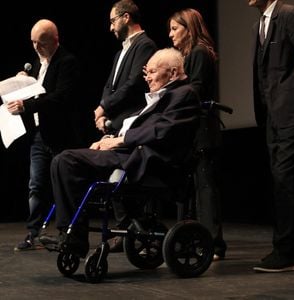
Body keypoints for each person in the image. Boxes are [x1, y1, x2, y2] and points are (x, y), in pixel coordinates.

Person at [39, 47, 202, 257]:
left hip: (147, 161)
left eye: (152, 72)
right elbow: (140, 128)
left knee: (67, 160)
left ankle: (74, 238)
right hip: (126, 152)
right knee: (63, 160)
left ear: (172, 73)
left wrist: (119, 141)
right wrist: (109, 138)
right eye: (147, 72)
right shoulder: (159, 98)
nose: (148, 77)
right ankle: (71, 235)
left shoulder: (184, 94)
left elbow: (162, 131)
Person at [7, 19, 83, 251]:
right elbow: (37, 93)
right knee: (36, 184)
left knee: (63, 184)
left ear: (54, 40)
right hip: (40, 134)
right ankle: (33, 232)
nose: (36, 47)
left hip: (61, 134)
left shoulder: (66, 62)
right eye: (33, 42)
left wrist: (26, 106)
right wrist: (23, 84)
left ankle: (66, 232)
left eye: (41, 43)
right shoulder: (37, 65)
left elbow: (60, 98)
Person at [94, 0, 157, 251]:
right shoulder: (121, 51)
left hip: (130, 122)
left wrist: (104, 109)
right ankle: (125, 230)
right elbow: (110, 85)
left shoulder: (145, 44)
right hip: (113, 122)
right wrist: (101, 111)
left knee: (124, 179)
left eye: (112, 21)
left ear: (126, 17)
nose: (111, 28)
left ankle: (132, 231)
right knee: (112, 180)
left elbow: (132, 86)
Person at [168, 8, 227, 261]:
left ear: (189, 28)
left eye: (174, 28)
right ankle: (191, 238)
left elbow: (197, 91)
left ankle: (213, 243)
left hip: (202, 130)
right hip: (193, 130)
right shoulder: (190, 55)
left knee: (205, 189)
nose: (170, 34)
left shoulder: (200, 53)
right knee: (192, 190)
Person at [248, 0, 294, 272]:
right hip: (272, 117)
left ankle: (286, 252)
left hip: (292, 114)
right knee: (282, 181)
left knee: (285, 179)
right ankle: (289, 249)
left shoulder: (289, 14)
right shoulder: (261, 23)